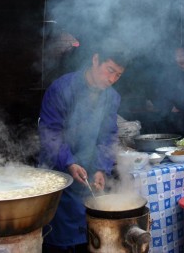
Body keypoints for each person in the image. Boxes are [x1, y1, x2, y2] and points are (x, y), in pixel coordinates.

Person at [37, 42, 129, 253]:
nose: (112, 79)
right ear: (95, 60)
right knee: (59, 240)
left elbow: (108, 136)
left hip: (87, 177)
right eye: (110, 70)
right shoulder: (62, 88)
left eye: (118, 75)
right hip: (58, 175)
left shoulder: (111, 97)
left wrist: (101, 168)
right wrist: (69, 162)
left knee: (89, 239)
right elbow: (50, 132)